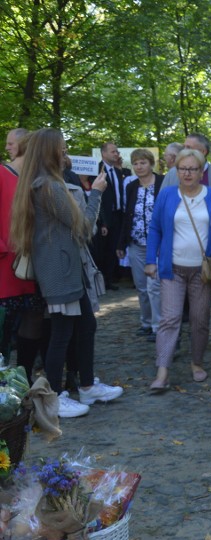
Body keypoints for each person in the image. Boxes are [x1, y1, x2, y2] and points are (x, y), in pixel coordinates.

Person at [10, 128, 124, 417]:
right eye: (62, 149)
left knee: (86, 326)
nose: (65, 154)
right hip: (60, 271)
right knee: (61, 333)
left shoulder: (40, 183)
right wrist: (95, 193)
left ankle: (86, 386)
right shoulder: (49, 186)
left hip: (67, 270)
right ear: (50, 152)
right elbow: (84, 229)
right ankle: (55, 397)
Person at [145, 148, 211, 391]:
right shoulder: (167, 195)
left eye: (193, 169)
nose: (187, 173)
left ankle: (197, 363)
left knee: (200, 321)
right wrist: (150, 260)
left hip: (202, 271)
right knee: (170, 319)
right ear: (176, 171)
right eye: (182, 168)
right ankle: (162, 371)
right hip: (172, 269)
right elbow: (155, 228)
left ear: (201, 172)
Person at [0, 132, 44, 377]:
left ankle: (24, 378)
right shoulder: (1, 173)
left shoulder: (36, 179)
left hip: (33, 264)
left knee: (34, 318)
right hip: (6, 264)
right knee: (4, 324)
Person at [118, 149, 164, 342]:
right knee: (141, 286)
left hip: (159, 244)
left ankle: (158, 326)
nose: (139, 167)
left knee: (156, 286)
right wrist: (121, 242)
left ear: (151, 164)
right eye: (135, 163)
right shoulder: (131, 187)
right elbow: (126, 216)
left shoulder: (163, 183)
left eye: (143, 163)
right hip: (136, 243)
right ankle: (145, 322)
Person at [95, 142, 128, 290]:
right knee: (103, 249)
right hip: (104, 217)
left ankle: (109, 279)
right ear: (104, 153)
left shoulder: (116, 171)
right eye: (113, 152)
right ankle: (101, 280)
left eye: (117, 151)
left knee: (113, 248)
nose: (117, 154)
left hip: (118, 214)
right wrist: (102, 221)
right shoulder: (97, 170)